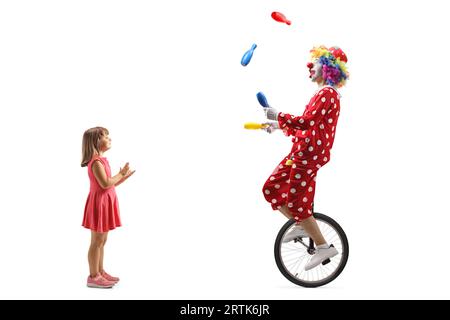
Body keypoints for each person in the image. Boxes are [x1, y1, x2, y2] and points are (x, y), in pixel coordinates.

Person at [261, 46, 349, 271]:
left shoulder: (328, 94)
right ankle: (301, 223)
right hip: (300, 152)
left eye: (316, 63)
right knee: (270, 188)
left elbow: (307, 122)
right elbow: (307, 128)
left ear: (329, 69)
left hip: (309, 155)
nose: (310, 66)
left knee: (297, 200)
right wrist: (278, 125)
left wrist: (278, 115)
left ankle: (323, 246)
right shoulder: (322, 94)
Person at [81, 127, 135, 288]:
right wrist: (119, 175)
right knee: (96, 241)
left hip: (106, 201)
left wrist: (122, 177)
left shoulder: (103, 161)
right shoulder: (96, 162)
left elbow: (109, 184)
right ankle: (93, 276)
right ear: (95, 142)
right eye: (105, 136)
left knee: (102, 241)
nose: (109, 139)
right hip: (99, 204)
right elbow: (105, 183)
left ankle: (100, 271)